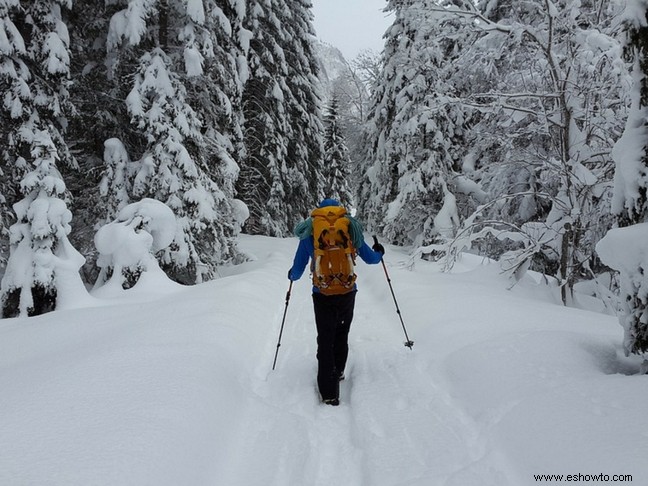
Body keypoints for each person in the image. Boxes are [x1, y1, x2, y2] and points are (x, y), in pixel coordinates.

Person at [288, 198, 385, 406]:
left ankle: (329, 391)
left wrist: (292, 276)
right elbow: (371, 259)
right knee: (341, 332)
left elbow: (298, 268)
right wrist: (380, 252)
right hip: (348, 290)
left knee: (325, 337)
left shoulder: (310, 230)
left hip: (322, 293)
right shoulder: (350, 228)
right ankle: (338, 370)